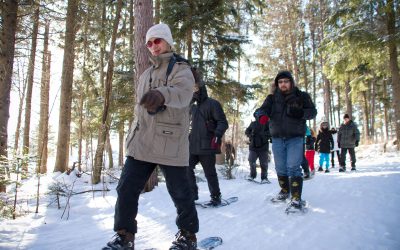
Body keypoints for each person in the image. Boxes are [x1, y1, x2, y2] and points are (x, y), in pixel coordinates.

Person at [105, 23, 199, 250]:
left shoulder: (181, 69)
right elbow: (141, 110)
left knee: (180, 193)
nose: (153, 46)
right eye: (149, 43)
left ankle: (188, 237)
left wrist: (161, 94)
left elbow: (184, 94)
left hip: (170, 141)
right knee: (126, 188)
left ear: (167, 41)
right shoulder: (146, 74)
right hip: (143, 142)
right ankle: (124, 236)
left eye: (157, 40)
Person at [257, 70, 317, 211]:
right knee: (280, 168)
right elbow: (261, 110)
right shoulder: (271, 99)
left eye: (286, 81)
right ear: (277, 84)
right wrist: (262, 116)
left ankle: (296, 198)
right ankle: (285, 192)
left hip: (295, 137)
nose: (283, 84)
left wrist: (301, 113)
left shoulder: (301, 96)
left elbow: (313, 112)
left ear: (291, 82)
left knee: (293, 167)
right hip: (277, 138)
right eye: (280, 82)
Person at [186, 75, 229, 206]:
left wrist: (216, 133)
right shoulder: (190, 106)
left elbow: (223, 122)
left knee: (209, 173)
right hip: (192, 145)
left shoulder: (213, 104)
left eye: (196, 88)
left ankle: (216, 197)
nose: (194, 90)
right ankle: (192, 195)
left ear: (201, 88)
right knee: (186, 168)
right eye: (192, 88)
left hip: (207, 145)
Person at [245, 111, 271, 183]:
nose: (258, 115)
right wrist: (251, 134)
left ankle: (264, 178)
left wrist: (262, 134)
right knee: (251, 160)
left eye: (259, 114)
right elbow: (247, 131)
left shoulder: (267, 123)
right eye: (256, 114)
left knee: (264, 163)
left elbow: (271, 132)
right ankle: (252, 175)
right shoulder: (253, 123)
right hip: (253, 146)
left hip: (264, 146)